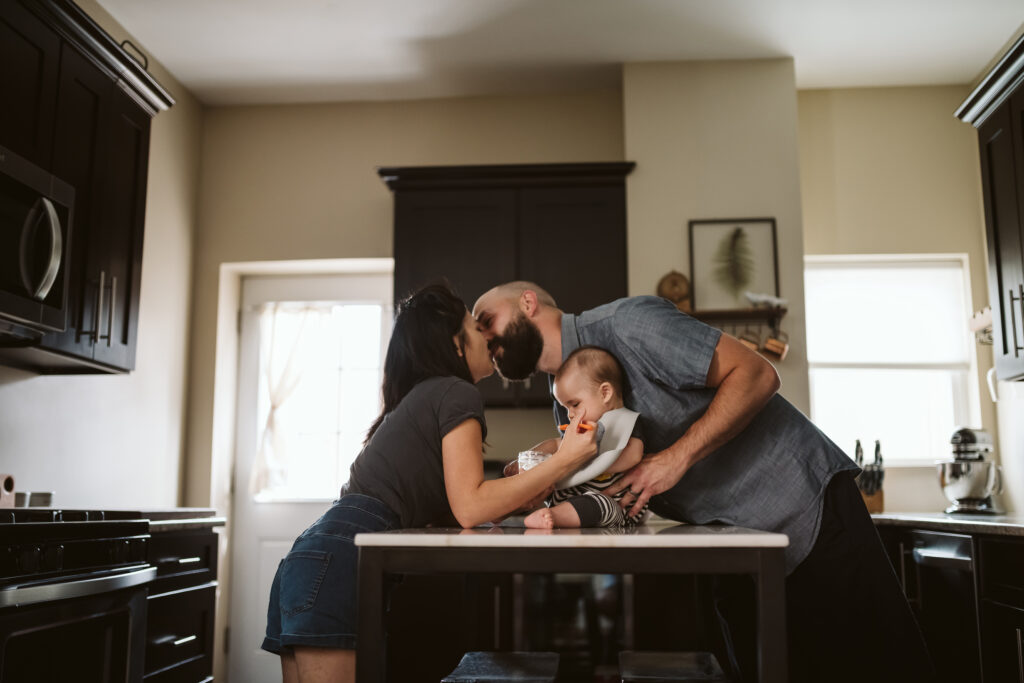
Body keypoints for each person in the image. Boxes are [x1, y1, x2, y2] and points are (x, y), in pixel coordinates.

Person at [472, 281, 934, 683]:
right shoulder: (567, 403)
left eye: (486, 320)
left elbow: (757, 373)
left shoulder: (628, 325)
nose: (482, 335)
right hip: (737, 545)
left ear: (528, 302)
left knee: (882, 667)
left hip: (807, 509)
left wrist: (674, 460)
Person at [262, 283, 598, 683]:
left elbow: (460, 506)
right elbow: (471, 507)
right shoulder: (455, 392)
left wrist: (516, 494)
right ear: (456, 344)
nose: (487, 337)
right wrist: (566, 458)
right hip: (341, 561)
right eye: (475, 327)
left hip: (314, 557)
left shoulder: (423, 398)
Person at [521, 345, 648, 529]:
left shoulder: (627, 421)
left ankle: (555, 516)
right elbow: (557, 443)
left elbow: (634, 456)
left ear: (605, 393)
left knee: (600, 505)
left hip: (613, 502)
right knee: (546, 487)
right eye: (565, 408)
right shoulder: (582, 428)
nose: (570, 415)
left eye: (574, 404)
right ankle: (544, 509)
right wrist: (530, 457)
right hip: (573, 493)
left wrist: (589, 463)